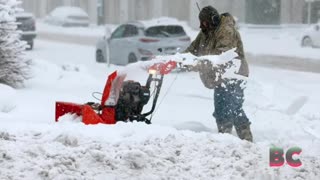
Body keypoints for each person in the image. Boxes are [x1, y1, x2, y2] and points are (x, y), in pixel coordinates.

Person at [184, 6, 253, 142]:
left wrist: (195, 64)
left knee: (231, 109)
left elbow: (221, 58)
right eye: (202, 23)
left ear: (213, 19)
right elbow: (193, 49)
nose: (203, 26)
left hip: (234, 74)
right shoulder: (206, 31)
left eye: (205, 22)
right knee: (223, 109)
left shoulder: (226, 30)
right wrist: (179, 59)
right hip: (220, 76)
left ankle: (245, 142)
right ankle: (226, 141)